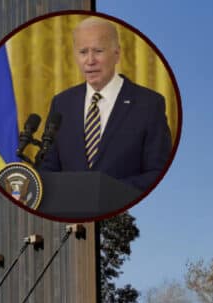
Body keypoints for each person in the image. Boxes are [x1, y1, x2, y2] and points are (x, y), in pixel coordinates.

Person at [38, 17, 172, 192]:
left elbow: (158, 173)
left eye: (98, 51)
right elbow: (48, 168)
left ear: (116, 54)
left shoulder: (149, 104)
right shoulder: (62, 103)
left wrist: (108, 192)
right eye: (83, 52)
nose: (90, 60)